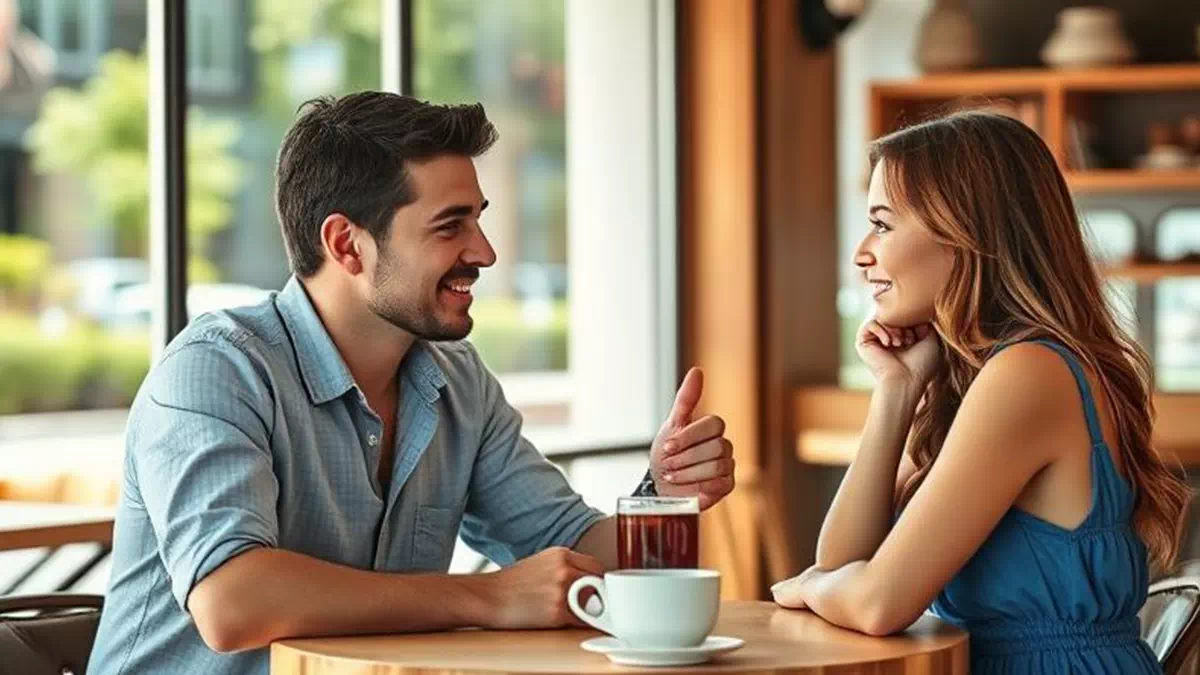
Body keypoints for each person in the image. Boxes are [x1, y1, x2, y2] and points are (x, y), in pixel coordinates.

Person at [87, 92, 736, 675]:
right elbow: (232, 600)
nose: (485, 252)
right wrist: (487, 597)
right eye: (451, 224)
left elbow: (574, 552)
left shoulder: (457, 381)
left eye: (479, 219)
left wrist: (661, 495)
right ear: (347, 245)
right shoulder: (216, 370)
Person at [771, 111, 1189, 674]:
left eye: (883, 224)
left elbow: (875, 602)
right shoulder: (983, 376)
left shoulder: (1029, 374)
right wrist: (896, 393)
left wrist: (810, 587)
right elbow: (847, 560)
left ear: (965, 233)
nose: (862, 252)